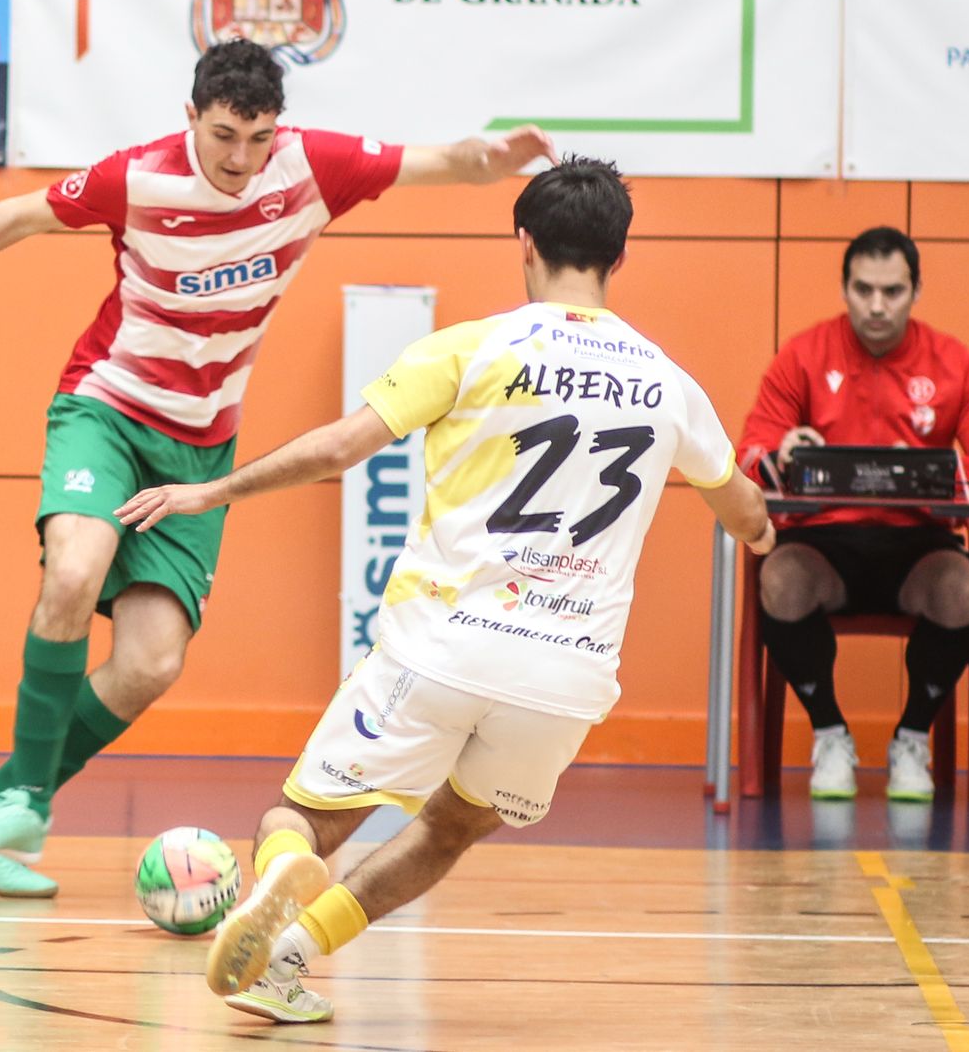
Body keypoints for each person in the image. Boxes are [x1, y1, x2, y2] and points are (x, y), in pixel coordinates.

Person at [0, 39, 559, 898]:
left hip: (201, 445)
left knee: (151, 664)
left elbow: (448, 162)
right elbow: (17, 215)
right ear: (191, 118)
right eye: (224, 136)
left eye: (258, 139)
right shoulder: (137, 178)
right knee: (74, 573)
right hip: (107, 409)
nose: (241, 159)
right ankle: (21, 799)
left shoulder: (313, 168)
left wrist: (490, 158)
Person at [115, 155, 776, 1023]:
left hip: (443, 648)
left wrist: (211, 492)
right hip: (566, 678)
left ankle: (282, 872)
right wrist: (764, 533)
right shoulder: (670, 385)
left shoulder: (471, 349)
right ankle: (288, 959)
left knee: (303, 817)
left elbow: (339, 448)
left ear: (525, 242)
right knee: (450, 826)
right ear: (619, 256)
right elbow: (743, 510)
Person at [737, 226, 969, 803]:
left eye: (892, 291)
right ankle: (830, 734)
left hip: (917, 546)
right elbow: (746, 460)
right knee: (780, 578)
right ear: (844, 288)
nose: (876, 305)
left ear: (916, 291)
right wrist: (780, 456)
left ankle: (912, 739)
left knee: (960, 587)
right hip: (823, 546)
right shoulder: (803, 355)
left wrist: (931, 471)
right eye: (863, 289)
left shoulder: (953, 362)